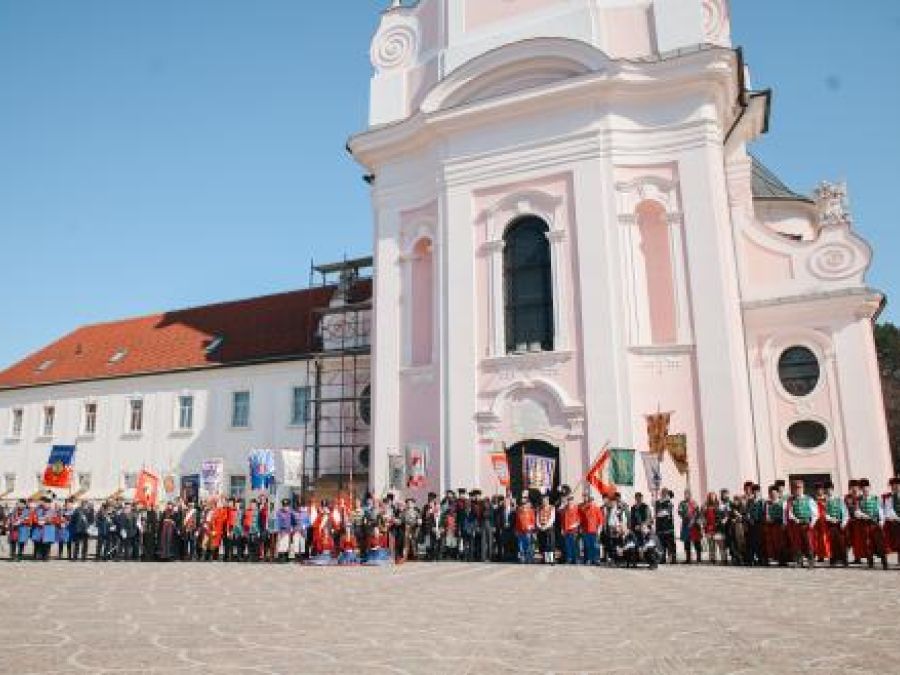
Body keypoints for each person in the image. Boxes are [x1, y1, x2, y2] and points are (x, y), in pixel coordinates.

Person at [785, 480, 817, 569]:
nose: (797, 490)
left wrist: (812, 523)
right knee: (797, 543)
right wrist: (796, 519)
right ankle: (799, 561)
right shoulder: (791, 500)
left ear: (803, 488)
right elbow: (790, 512)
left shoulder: (809, 499)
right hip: (797, 524)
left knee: (808, 543)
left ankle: (811, 561)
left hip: (807, 524)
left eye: (799, 488)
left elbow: (815, 513)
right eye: (795, 488)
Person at [856, 479, 887, 569]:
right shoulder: (859, 499)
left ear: (869, 487)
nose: (865, 489)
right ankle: (870, 562)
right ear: (861, 489)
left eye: (866, 487)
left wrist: (881, 521)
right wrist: (862, 515)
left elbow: (880, 510)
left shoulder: (876, 498)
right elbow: (857, 511)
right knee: (867, 543)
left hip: (875, 524)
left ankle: (884, 562)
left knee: (879, 543)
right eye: (863, 488)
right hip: (865, 524)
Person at [763, 485, 786, 566]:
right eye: (771, 493)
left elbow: (784, 514)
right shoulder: (767, 503)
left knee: (781, 542)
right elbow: (766, 513)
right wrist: (767, 519)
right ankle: (775, 558)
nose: (773, 495)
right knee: (773, 543)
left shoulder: (782, 502)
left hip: (779, 524)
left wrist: (783, 523)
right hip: (771, 525)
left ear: (777, 493)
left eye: (774, 493)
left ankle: (782, 560)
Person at [677, 489, 701, 564]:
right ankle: (688, 559)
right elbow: (679, 512)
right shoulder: (682, 503)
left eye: (688, 494)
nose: (686, 495)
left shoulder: (694, 503)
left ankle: (698, 559)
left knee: (696, 541)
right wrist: (685, 515)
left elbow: (697, 512)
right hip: (686, 524)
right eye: (685, 494)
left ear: (690, 495)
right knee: (686, 542)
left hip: (694, 525)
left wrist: (693, 520)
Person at [654, 489, 676, 565]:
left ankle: (673, 558)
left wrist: (663, 511)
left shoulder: (669, 502)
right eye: (662, 493)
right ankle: (662, 558)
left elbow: (668, 512)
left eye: (665, 493)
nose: (664, 494)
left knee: (671, 544)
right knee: (662, 544)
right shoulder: (658, 502)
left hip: (669, 526)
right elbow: (657, 513)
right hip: (660, 526)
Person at [514, 494, 536, 564]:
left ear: (527, 504)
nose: (524, 505)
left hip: (528, 531)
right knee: (520, 546)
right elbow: (517, 522)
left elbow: (533, 521)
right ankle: (522, 558)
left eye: (525, 504)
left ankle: (529, 558)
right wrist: (516, 530)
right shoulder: (519, 512)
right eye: (523, 504)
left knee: (528, 545)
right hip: (520, 531)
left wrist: (531, 527)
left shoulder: (531, 511)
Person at [559, 494, 581, 564]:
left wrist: (575, 525)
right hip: (566, 530)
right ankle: (569, 558)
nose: (569, 501)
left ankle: (576, 558)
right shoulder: (565, 508)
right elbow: (562, 519)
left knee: (574, 545)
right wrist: (562, 528)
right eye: (568, 500)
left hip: (573, 530)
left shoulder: (576, 508)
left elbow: (579, 519)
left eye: (571, 500)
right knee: (567, 545)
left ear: (573, 501)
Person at [884, 477, 900, 567]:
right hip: (896, 523)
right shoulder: (889, 498)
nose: (896, 487)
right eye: (894, 486)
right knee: (898, 542)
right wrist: (896, 517)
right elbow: (888, 510)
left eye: (897, 485)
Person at [536, 494, 556, 564]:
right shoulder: (539, 508)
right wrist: (539, 526)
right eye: (543, 500)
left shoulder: (552, 507)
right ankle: (544, 559)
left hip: (549, 528)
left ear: (548, 500)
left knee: (550, 544)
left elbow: (552, 519)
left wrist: (546, 526)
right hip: (541, 528)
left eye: (545, 500)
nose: (544, 502)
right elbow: (537, 518)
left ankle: (550, 559)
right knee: (543, 544)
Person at [702, 492, 721, 564]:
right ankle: (711, 558)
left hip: (715, 526)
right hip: (708, 526)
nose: (712, 497)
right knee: (710, 543)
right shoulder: (706, 505)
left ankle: (716, 558)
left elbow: (719, 515)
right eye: (711, 496)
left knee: (716, 543)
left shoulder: (717, 505)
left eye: (713, 496)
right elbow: (703, 515)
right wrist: (703, 524)